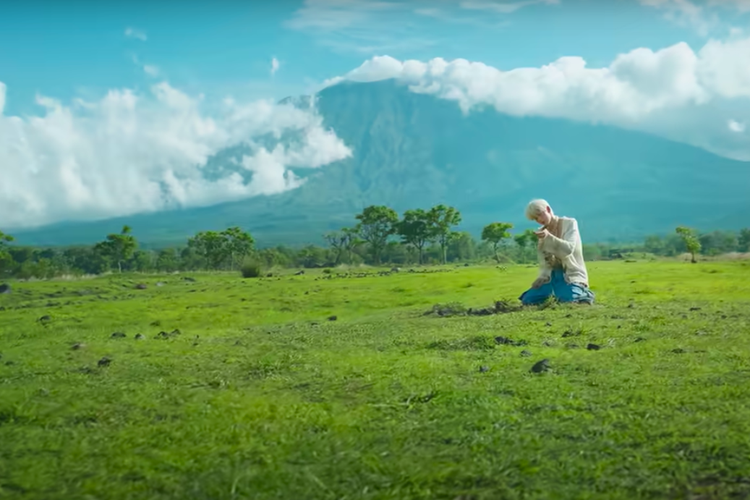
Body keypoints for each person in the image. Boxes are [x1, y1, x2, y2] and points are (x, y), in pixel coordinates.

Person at [518, 199, 595, 306]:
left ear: (548, 210)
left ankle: (585, 294)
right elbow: (544, 260)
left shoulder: (570, 223)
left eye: (540, 215)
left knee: (569, 299)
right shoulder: (542, 231)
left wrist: (548, 237)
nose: (539, 220)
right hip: (551, 277)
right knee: (528, 300)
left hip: (570, 274)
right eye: (535, 218)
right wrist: (541, 277)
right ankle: (556, 294)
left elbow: (568, 249)